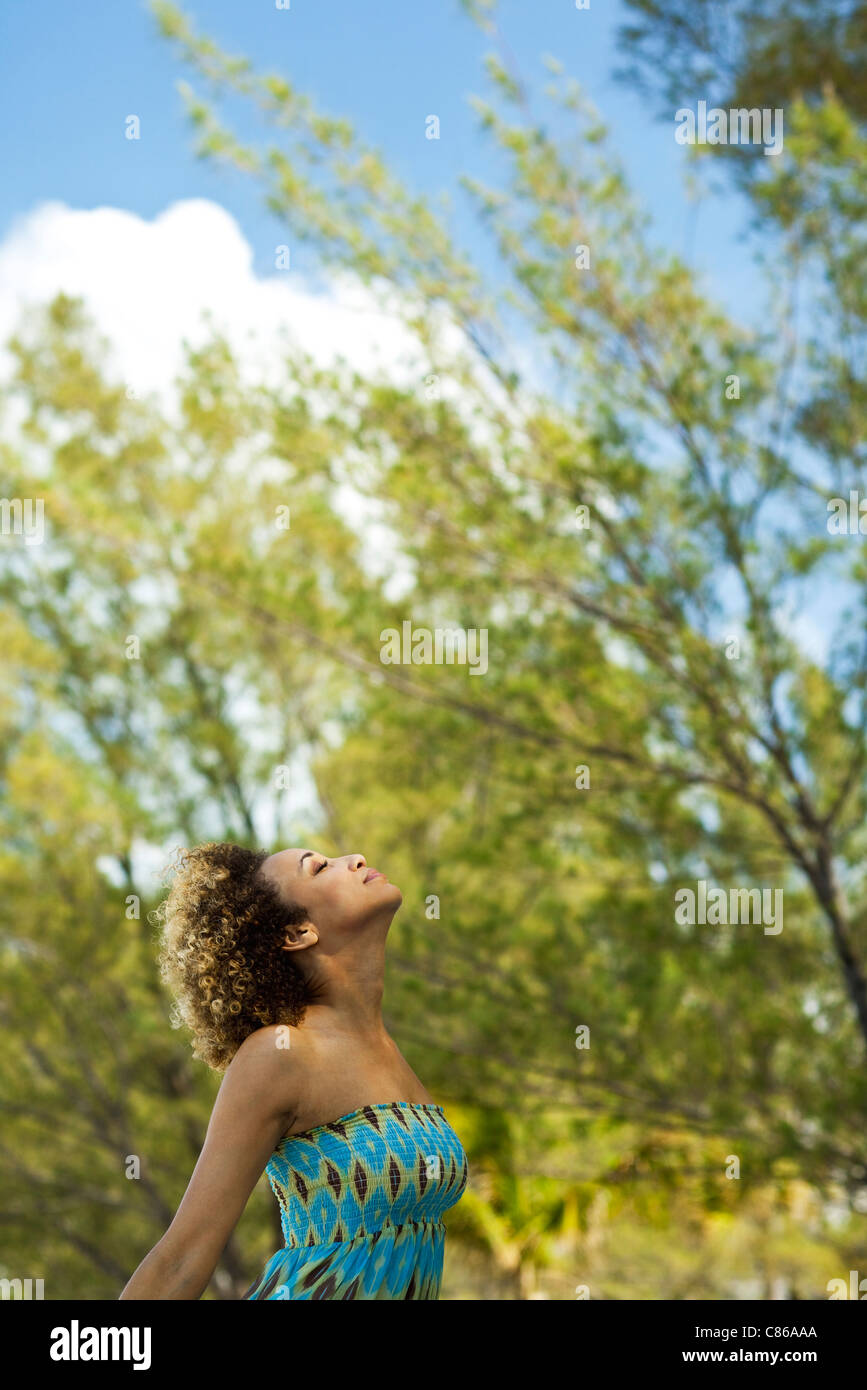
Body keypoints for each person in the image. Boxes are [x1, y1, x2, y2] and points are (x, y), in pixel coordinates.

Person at [119, 841, 468, 1300]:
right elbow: (181, 1258)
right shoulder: (280, 1054)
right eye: (320, 868)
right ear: (298, 932)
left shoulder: (389, 1050)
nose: (355, 859)